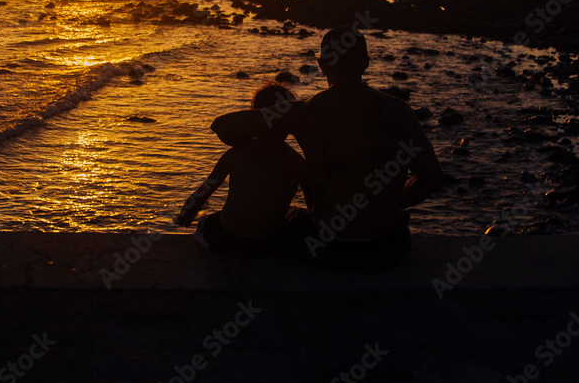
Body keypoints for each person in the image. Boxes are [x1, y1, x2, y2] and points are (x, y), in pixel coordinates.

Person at [209, 26, 444, 271]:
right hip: (386, 249)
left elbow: (222, 125)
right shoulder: (400, 111)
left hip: (327, 250)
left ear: (322, 64)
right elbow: (432, 179)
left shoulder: (304, 112)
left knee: (290, 216)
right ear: (365, 63)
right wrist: (389, 202)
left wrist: (255, 144)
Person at [174, 83, 306, 256]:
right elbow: (313, 202)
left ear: (252, 115)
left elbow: (203, 192)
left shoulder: (237, 154)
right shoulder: (297, 161)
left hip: (227, 239)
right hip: (267, 244)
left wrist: (184, 216)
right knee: (292, 213)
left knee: (206, 219)